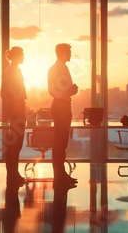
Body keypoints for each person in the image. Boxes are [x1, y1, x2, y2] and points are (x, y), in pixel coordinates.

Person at [48, 43, 78, 185]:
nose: (71, 55)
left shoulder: (63, 68)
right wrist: (68, 92)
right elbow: (52, 90)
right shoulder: (55, 69)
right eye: (69, 52)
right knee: (59, 142)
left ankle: (61, 175)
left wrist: (71, 90)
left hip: (65, 105)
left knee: (62, 142)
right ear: (63, 53)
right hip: (60, 106)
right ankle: (58, 177)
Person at [1, 47, 27, 185]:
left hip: (18, 107)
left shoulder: (14, 70)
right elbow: (4, 91)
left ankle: (13, 174)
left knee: (16, 144)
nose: (24, 57)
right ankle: (12, 174)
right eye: (22, 55)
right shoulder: (11, 71)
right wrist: (14, 104)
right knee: (15, 145)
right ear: (16, 56)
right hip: (16, 108)